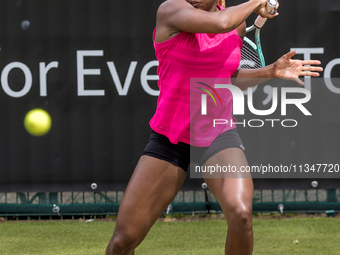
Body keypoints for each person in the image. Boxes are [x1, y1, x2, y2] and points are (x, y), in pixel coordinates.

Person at [105, 0, 323, 254]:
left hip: (218, 136)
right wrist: (256, 1)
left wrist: (271, 71)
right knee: (123, 242)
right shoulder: (171, 10)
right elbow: (221, 23)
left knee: (241, 214)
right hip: (170, 140)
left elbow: (227, 77)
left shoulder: (238, 26)